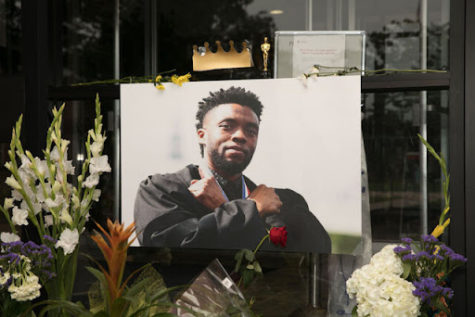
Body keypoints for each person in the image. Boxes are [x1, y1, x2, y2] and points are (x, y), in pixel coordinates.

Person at [134, 86, 331, 253]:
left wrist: (224, 207)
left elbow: (314, 253)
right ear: (202, 135)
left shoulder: (281, 201)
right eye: (227, 126)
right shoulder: (162, 191)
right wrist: (251, 209)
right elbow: (175, 252)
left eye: (251, 131)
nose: (240, 136)